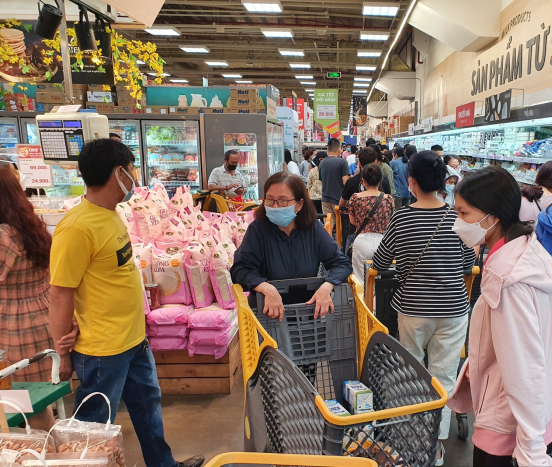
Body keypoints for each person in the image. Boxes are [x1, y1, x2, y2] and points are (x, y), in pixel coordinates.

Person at [49, 139, 204, 467]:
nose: (134, 177)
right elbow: (61, 293)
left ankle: (163, 465)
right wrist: (62, 354)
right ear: (118, 172)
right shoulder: (76, 227)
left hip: (133, 340)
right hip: (102, 351)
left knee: (148, 408)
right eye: (131, 170)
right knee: (94, 425)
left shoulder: (109, 214)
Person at [449, 165, 552, 467]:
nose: (456, 224)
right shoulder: (524, 250)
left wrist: (531, 447)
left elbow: (523, 364)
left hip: (510, 428)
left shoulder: (507, 277)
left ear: (493, 215)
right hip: (532, 415)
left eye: (463, 214)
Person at [372, 151, 476, 466]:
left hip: (413, 308)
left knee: (412, 372)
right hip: (453, 308)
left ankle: (412, 440)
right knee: (443, 375)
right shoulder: (457, 218)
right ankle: (436, 445)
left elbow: (379, 261)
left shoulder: (402, 218)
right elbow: (468, 263)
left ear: (411, 182)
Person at [231, 171, 352, 315]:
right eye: (270, 200)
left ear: (299, 204)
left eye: (283, 200)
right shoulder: (257, 230)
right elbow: (240, 269)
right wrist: (265, 287)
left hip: (309, 312)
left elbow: (342, 263)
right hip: (267, 313)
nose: (275, 206)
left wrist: (328, 285)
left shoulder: (313, 229)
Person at [0, 167, 59, 431]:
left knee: (21, 406)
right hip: (40, 321)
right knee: (36, 403)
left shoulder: (3, 236)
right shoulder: (26, 228)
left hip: (14, 330)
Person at [347, 164, 395, 284]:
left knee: (360, 281)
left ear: (363, 181)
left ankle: (364, 302)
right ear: (380, 180)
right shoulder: (388, 199)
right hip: (384, 243)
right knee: (381, 280)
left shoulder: (355, 198)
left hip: (362, 241)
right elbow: (391, 221)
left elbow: (352, 221)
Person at [318, 138, 350, 230]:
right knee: (340, 226)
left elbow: (321, 180)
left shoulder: (322, 163)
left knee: (328, 226)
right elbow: (345, 183)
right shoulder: (342, 162)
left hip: (325, 199)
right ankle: (338, 244)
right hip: (339, 200)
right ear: (339, 149)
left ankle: (327, 243)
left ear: (328, 150)